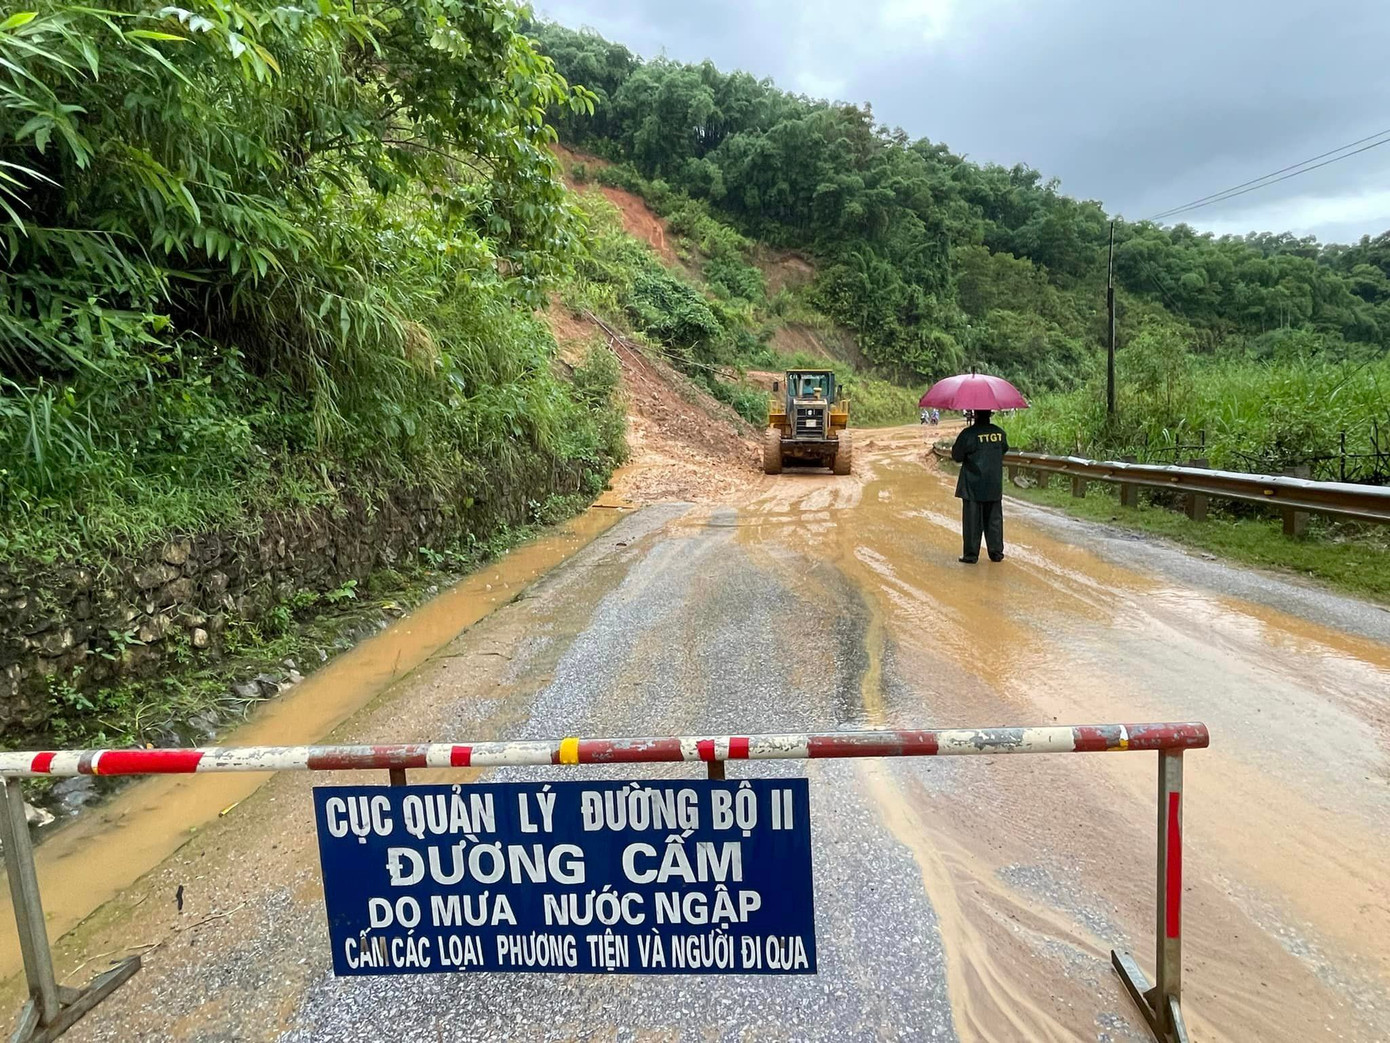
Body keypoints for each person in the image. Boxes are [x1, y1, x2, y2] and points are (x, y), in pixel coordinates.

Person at [950, 408, 1009, 563]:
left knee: (972, 522)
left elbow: (956, 456)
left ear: (974, 414)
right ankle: (996, 553)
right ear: (990, 414)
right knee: (994, 520)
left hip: (972, 485)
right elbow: (1004, 449)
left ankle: (971, 555)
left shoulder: (968, 434)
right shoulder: (999, 433)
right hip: (993, 484)